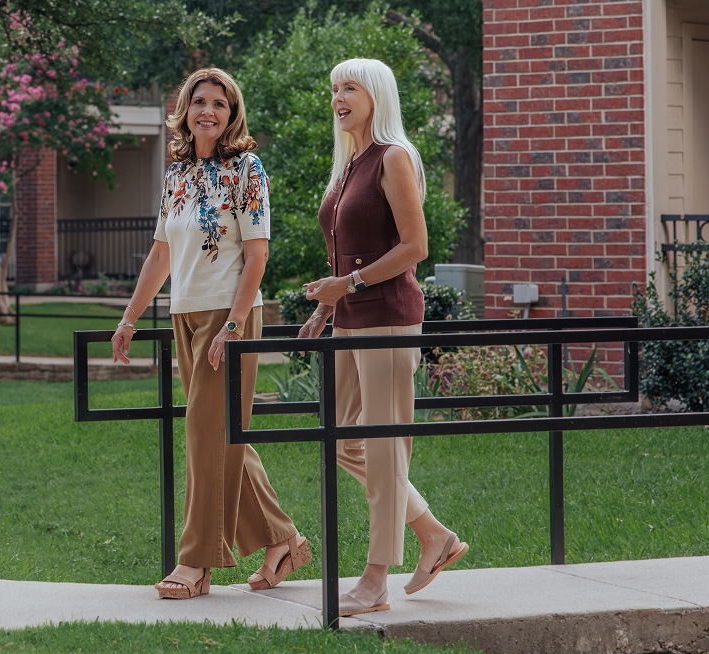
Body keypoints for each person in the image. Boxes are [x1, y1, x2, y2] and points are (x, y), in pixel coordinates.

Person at [112, 68, 310, 600]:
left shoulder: (247, 168)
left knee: (204, 437)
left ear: (231, 113)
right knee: (222, 436)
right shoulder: (177, 174)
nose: (209, 110)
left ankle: (196, 562)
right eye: (199, 101)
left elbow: (257, 255)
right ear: (185, 110)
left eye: (219, 103)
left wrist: (232, 326)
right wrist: (131, 318)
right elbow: (161, 254)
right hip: (185, 314)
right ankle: (283, 540)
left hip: (230, 314)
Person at [299, 58, 470, 617]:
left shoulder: (393, 158)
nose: (338, 97)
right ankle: (434, 534)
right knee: (347, 442)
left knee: (382, 447)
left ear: (376, 95)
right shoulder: (351, 163)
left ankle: (375, 580)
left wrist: (345, 284)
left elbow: (414, 247)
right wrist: (327, 309)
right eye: (334, 88)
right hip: (350, 319)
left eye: (349, 87)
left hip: (390, 319)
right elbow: (344, 249)